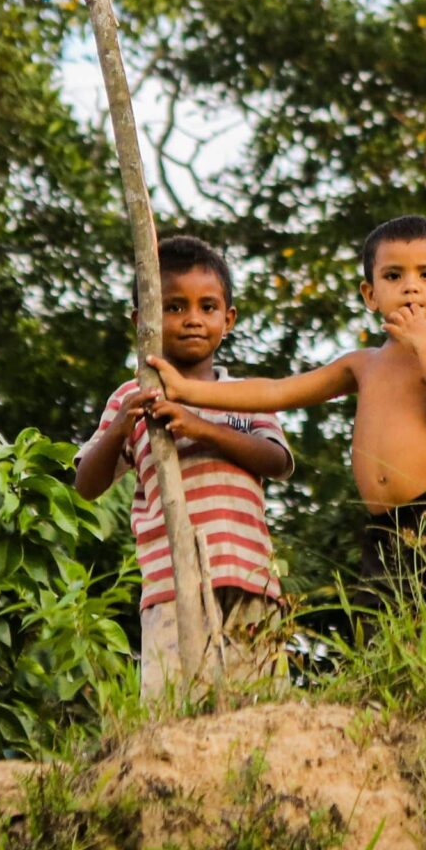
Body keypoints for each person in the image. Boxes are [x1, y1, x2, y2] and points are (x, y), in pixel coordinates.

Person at [155, 215, 426, 596]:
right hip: (384, 527)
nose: (410, 287)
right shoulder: (362, 365)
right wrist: (186, 391)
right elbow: (277, 393)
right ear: (370, 294)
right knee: (389, 641)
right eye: (394, 276)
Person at [74, 235, 295, 700]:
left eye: (207, 307)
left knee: (256, 707)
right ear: (143, 319)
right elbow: (85, 485)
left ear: (227, 319)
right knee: (175, 705)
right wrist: (119, 429)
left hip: (251, 577)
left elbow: (276, 461)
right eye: (174, 307)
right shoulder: (128, 398)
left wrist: (201, 426)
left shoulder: (247, 395)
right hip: (171, 585)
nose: (193, 319)